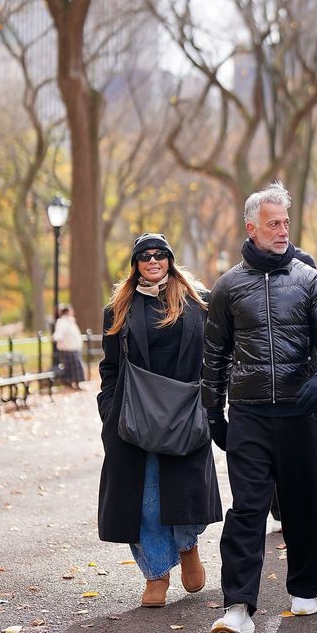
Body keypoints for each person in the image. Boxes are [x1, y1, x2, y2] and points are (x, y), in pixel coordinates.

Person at [203, 182, 317, 633]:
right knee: (246, 509)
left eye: (286, 222)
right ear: (252, 228)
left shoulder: (310, 281)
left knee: (305, 507)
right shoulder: (228, 286)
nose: (283, 230)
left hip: (301, 414)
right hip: (249, 414)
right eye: (273, 224)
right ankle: (238, 607)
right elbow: (214, 355)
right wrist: (213, 414)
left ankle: (305, 588)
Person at [97, 233, 222, 608]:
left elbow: (216, 355)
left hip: (184, 410)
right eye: (144, 257)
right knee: (146, 497)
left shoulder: (198, 301)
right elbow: (110, 367)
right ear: (135, 264)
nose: (153, 261)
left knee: (184, 489)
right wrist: (109, 409)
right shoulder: (118, 308)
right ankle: (156, 574)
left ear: (169, 259)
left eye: (159, 255)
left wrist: (209, 402)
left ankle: (187, 547)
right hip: (134, 415)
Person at [53, 305, 85, 388]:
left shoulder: (71, 321)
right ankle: (69, 383)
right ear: (67, 312)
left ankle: (76, 383)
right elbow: (59, 333)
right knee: (70, 368)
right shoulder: (62, 322)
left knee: (76, 367)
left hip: (74, 348)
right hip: (68, 348)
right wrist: (56, 337)